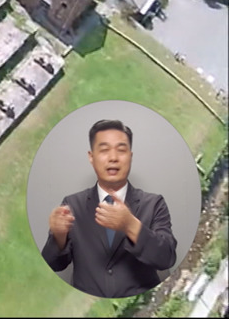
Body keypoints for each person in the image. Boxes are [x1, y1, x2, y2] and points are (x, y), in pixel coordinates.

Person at [41, 119, 178, 298]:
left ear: (130, 155)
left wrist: (130, 225)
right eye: (104, 150)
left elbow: (166, 258)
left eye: (121, 150)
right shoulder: (73, 205)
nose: (113, 158)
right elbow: (52, 266)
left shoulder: (153, 204)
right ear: (91, 157)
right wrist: (59, 237)